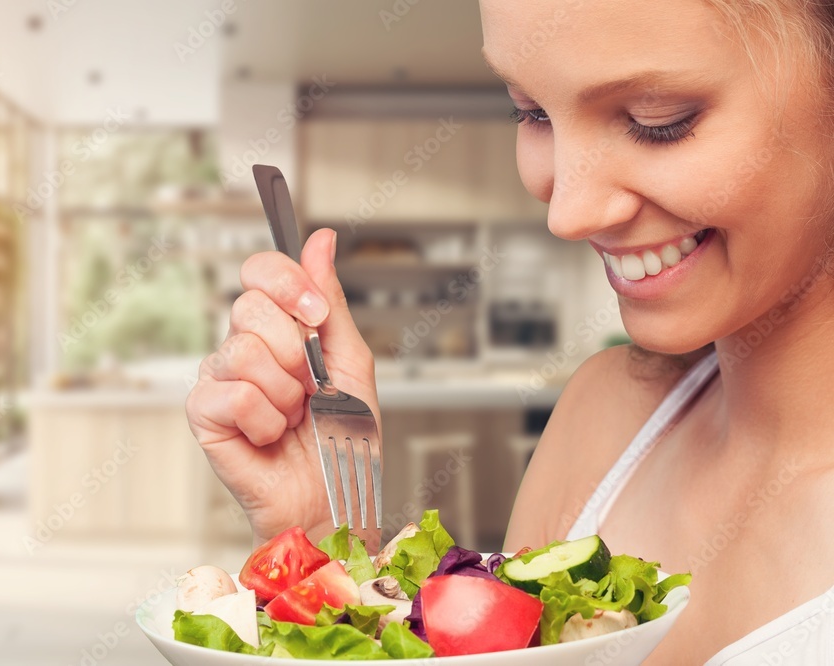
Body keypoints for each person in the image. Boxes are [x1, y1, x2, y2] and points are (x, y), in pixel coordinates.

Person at [186, 0, 834, 662]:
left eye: (657, 122)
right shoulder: (605, 420)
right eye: (531, 113)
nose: (569, 212)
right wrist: (335, 563)